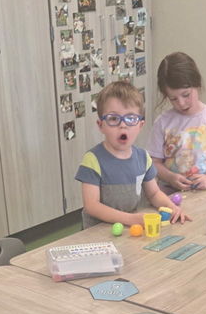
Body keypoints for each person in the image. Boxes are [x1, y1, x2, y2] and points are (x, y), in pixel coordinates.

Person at [76, 80, 189, 227]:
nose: (123, 125)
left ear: (140, 125)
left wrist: (172, 208)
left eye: (130, 118)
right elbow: (92, 206)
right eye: (113, 119)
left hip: (130, 231)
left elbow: (154, 194)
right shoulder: (92, 160)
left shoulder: (143, 158)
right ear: (101, 125)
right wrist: (130, 219)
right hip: (99, 235)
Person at [150, 51, 206, 191]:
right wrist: (170, 177)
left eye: (186, 95)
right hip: (169, 195)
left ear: (197, 84)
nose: (181, 103)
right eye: (173, 99)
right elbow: (154, 162)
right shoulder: (162, 122)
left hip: (205, 192)